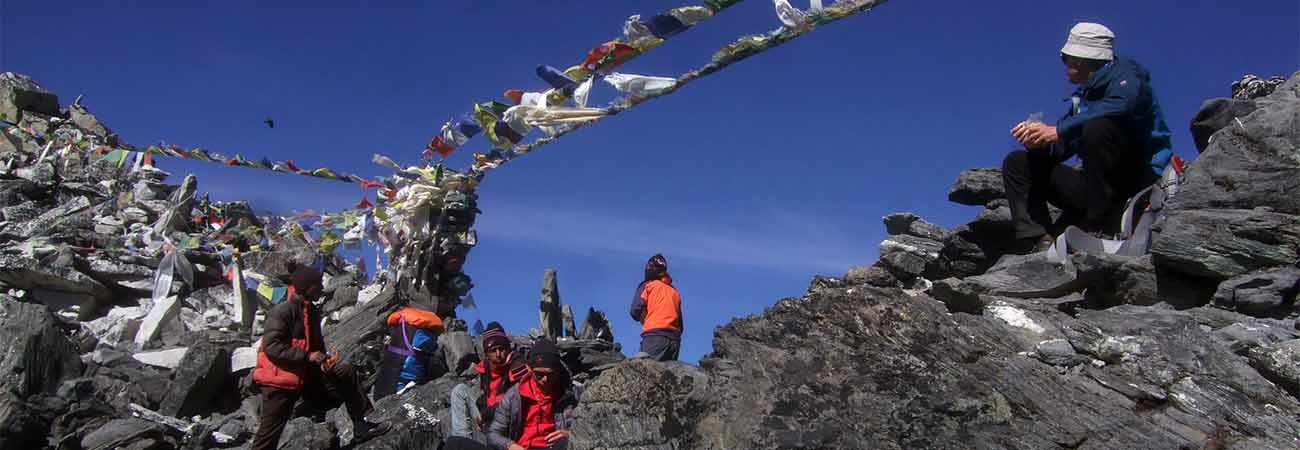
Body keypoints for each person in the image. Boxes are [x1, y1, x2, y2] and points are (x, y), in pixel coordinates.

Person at [1002, 22, 1173, 251]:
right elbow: (1062, 147)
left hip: (1137, 180)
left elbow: (1125, 104)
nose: (1064, 66)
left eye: (1065, 59)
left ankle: (1100, 225)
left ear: (1078, 61)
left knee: (1098, 127)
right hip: (1096, 189)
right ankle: (1039, 240)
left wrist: (1057, 130)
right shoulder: (1084, 100)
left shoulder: (1128, 75)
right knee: (1017, 162)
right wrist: (1039, 143)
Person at [250, 267, 390, 450]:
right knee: (269, 433)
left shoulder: (312, 312)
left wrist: (326, 361)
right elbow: (272, 347)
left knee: (345, 372)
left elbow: (315, 349)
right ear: (306, 287)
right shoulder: (283, 311)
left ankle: (362, 425)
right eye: (317, 285)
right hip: (281, 381)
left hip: (308, 376)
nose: (321, 288)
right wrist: (308, 356)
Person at [446, 322, 527, 444]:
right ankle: (462, 440)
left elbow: (516, 401)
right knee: (460, 390)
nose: (498, 354)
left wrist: (486, 415)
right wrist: (483, 412)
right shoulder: (485, 367)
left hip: (507, 419)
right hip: (488, 414)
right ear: (487, 353)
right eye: (493, 350)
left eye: (502, 349)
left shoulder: (518, 365)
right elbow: (485, 396)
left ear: (508, 348)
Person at [373, 305, 445, 399]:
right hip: (415, 368)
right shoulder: (429, 331)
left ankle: (397, 392)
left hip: (399, 368)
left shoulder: (403, 322)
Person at [629, 254, 683, 361]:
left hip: (654, 337)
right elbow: (681, 325)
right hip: (675, 342)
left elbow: (634, 311)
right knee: (667, 377)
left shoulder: (648, 285)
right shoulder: (674, 292)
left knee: (642, 372)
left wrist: (645, 317)